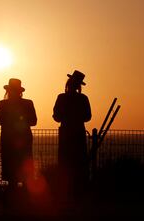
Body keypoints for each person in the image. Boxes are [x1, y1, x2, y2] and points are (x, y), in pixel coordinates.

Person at [53, 70, 92, 200]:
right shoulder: (83, 98)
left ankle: (64, 193)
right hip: (79, 133)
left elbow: (56, 117)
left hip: (65, 134)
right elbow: (88, 117)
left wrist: (66, 117)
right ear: (78, 85)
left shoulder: (61, 97)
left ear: (69, 83)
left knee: (65, 162)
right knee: (79, 163)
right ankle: (78, 192)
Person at [0, 78, 37, 190]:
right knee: (25, 170)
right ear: (20, 91)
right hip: (24, 141)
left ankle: (13, 199)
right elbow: (34, 121)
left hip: (8, 141)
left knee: (11, 173)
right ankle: (26, 200)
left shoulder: (3, 104)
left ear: (8, 91)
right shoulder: (28, 103)